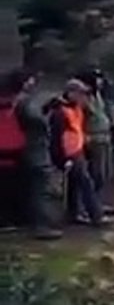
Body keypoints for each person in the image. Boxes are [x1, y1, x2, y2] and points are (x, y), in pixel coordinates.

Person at [56, 80, 106, 227]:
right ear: (70, 93)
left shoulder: (76, 108)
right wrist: (62, 158)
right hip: (69, 153)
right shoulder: (61, 112)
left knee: (74, 185)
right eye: (80, 93)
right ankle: (96, 216)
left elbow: (78, 129)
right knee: (86, 183)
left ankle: (72, 214)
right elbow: (56, 137)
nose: (83, 97)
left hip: (77, 150)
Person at [17, 73, 61, 239]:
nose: (33, 82)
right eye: (29, 79)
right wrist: (47, 114)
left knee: (34, 189)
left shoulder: (20, 101)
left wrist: (46, 108)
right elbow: (37, 122)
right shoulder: (23, 101)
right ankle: (41, 226)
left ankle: (35, 223)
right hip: (35, 150)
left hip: (27, 149)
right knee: (39, 190)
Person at [76, 68, 114, 213]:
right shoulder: (83, 98)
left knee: (103, 174)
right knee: (94, 175)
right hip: (92, 139)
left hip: (104, 138)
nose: (100, 81)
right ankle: (88, 207)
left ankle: (98, 204)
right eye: (97, 78)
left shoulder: (98, 95)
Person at [0, 71, 30, 231]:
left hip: (11, 148)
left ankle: (10, 218)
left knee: (9, 186)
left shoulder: (14, 105)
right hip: (11, 148)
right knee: (8, 187)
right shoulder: (14, 105)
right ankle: (7, 219)